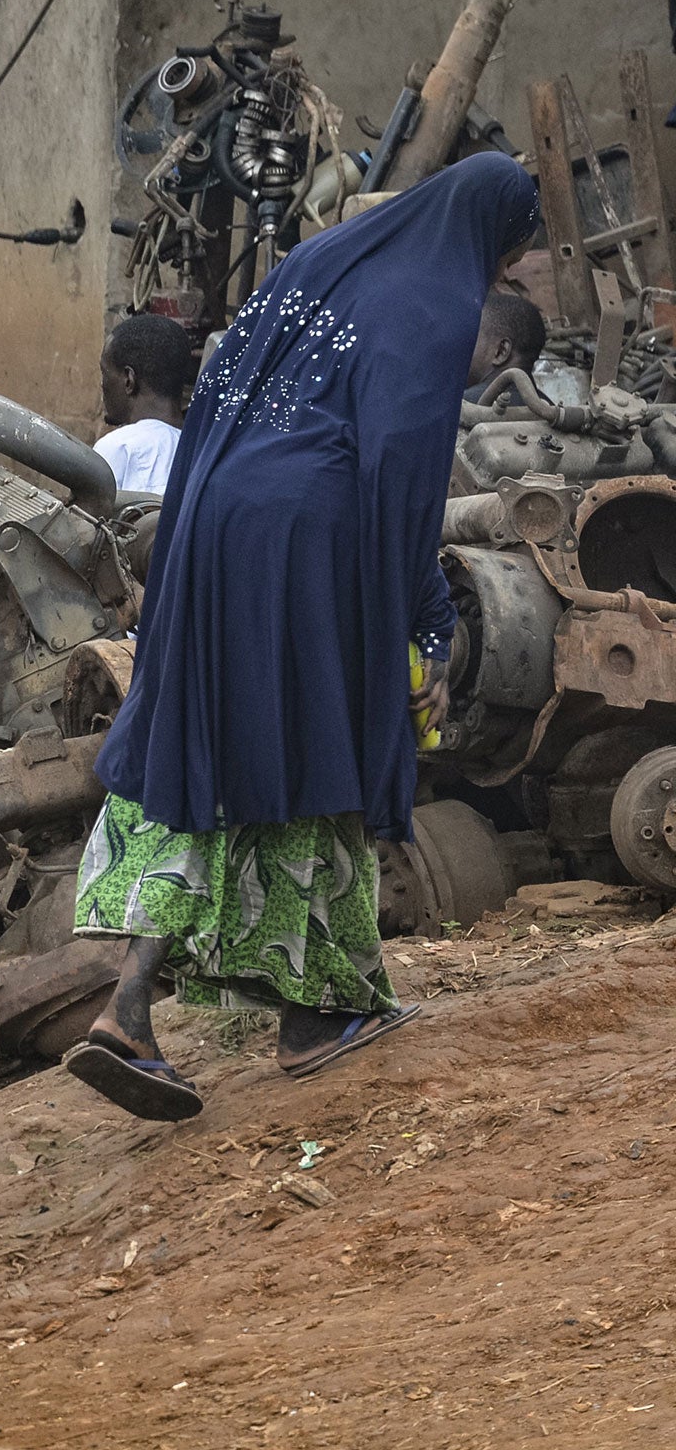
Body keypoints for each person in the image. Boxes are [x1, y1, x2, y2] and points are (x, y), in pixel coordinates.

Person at [61, 155, 540, 1123]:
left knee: (220, 744)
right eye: (510, 253)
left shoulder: (314, 261)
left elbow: (217, 398)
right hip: (306, 538)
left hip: (209, 521)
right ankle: (177, 1011)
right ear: (489, 235)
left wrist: (193, 532)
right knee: (296, 744)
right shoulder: (432, 305)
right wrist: (428, 622)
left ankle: (297, 1009)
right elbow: (396, 478)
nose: (502, 274)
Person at [95, 313, 194, 495]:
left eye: (105, 373)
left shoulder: (118, 448)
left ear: (128, 380)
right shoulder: (201, 449)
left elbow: (83, 521)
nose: (102, 384)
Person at [464, 289, 547, 405]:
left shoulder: (460, 407)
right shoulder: (552, 409)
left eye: (472, 338)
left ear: (501, 351)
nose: (462, 347)